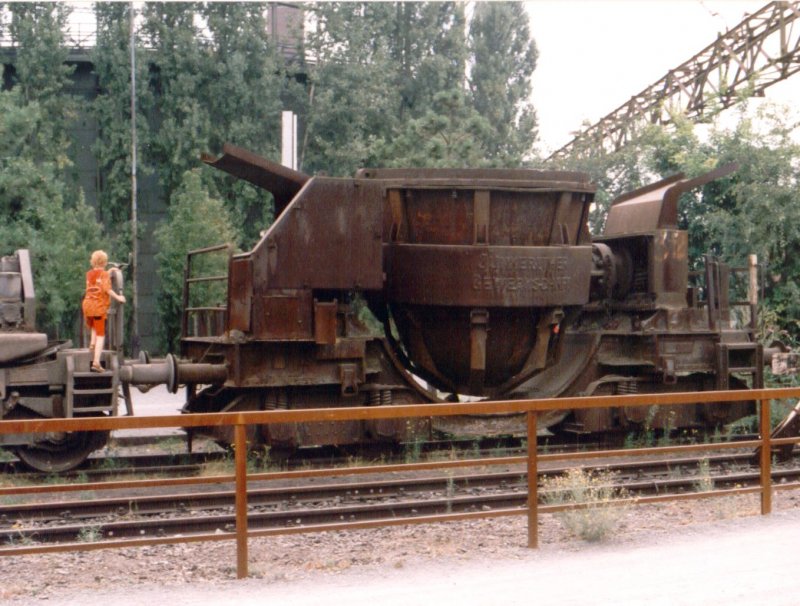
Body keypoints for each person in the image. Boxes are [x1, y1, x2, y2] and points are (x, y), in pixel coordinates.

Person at [82, 250, 125, 372]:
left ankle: (92, 343)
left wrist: (109, 271)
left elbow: (98, 277)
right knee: (101, 335)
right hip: (97, 306)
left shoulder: (89, 274)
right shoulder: (104, 275)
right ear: (105, 262)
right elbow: (107, 289)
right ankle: (96, 362)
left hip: (87, 305)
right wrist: (119, 297)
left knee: (94, 326)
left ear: (93, 261)